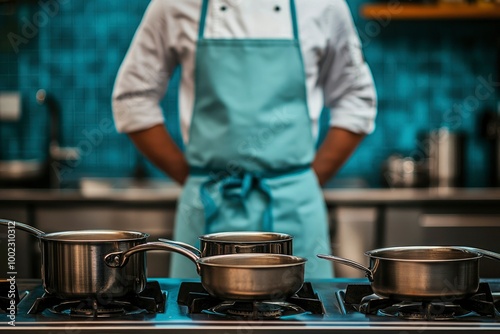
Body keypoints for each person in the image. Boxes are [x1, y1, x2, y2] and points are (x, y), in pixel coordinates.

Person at [112, 0, 377, 279]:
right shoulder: (173, 5)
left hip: (297, 211)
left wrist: (302, 182)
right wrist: (194, 179)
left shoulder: (325, 6)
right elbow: (133, 99)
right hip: (209, 208)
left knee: (306, 316)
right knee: (198, 317)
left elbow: (356, 99)